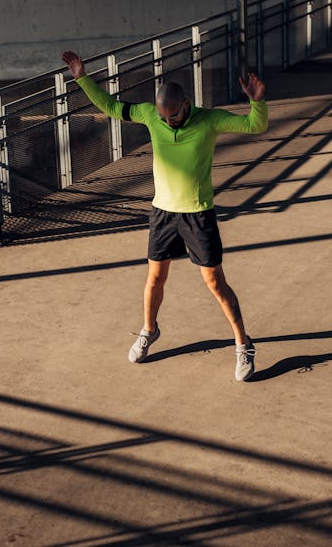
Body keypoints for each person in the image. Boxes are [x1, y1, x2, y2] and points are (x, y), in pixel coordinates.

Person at [61, 51, 268, 381]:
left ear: (186, 104)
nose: (169, 122)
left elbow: (255, 125)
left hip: (198, 215)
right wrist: (82, 76)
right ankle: (149, 330)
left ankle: (244, 344)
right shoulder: (149, 114)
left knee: (215, 282)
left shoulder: (209, 120)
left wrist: (257, 102)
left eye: (173, 116)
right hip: (162, 213)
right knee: (155, 278)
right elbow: (112, 107)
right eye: (164, 117)